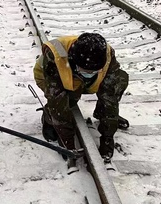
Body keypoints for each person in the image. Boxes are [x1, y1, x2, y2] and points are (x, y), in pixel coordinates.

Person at [33, 33, 129, 162]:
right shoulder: (56, 54)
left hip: (83, 81)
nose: (89, 74)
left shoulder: (107, 55)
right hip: (51, 77)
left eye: (93, 72)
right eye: (85, 70)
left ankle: (101, 114)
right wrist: (67, 142)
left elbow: (109, 97)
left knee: (119, 80)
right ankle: (48, 115)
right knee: (67, 100)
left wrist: (108, 137)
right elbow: (57, 99)